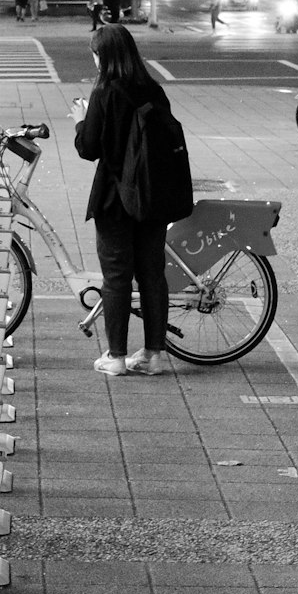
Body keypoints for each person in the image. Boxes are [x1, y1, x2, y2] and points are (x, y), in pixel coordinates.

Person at [70, 23, 173, 377]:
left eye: (95, 54)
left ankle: (115, 356)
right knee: (152, 275)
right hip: (153, 196)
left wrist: (81, 121)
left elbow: (89, 148)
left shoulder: (104, 93)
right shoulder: (153, 90)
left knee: (116, 277)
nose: (95, 61)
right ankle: (153, 354)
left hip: (116, 198)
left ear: (105, 57)